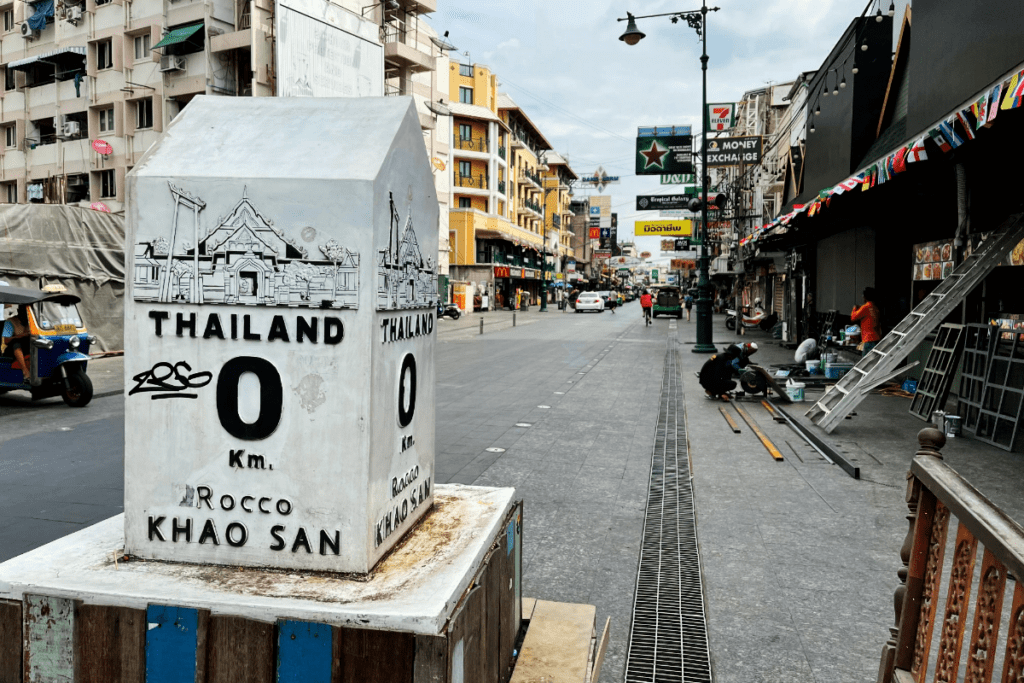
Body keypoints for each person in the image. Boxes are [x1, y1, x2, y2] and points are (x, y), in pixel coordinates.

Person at [2, 304, 31, 383]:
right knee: (16, 343)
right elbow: (6, 340)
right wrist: (22, 335)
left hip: (27, 347)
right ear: (19, 311)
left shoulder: (32, 322)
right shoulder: (10, 322)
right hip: (12, 350)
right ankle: (25, 372)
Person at [851, 287, 881, 354]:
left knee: (865, 362)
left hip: (868, 339)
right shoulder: (875, 308)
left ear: (865, 297)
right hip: (876, 338)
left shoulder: (865, 307)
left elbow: (853, 317)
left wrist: (854, 308)